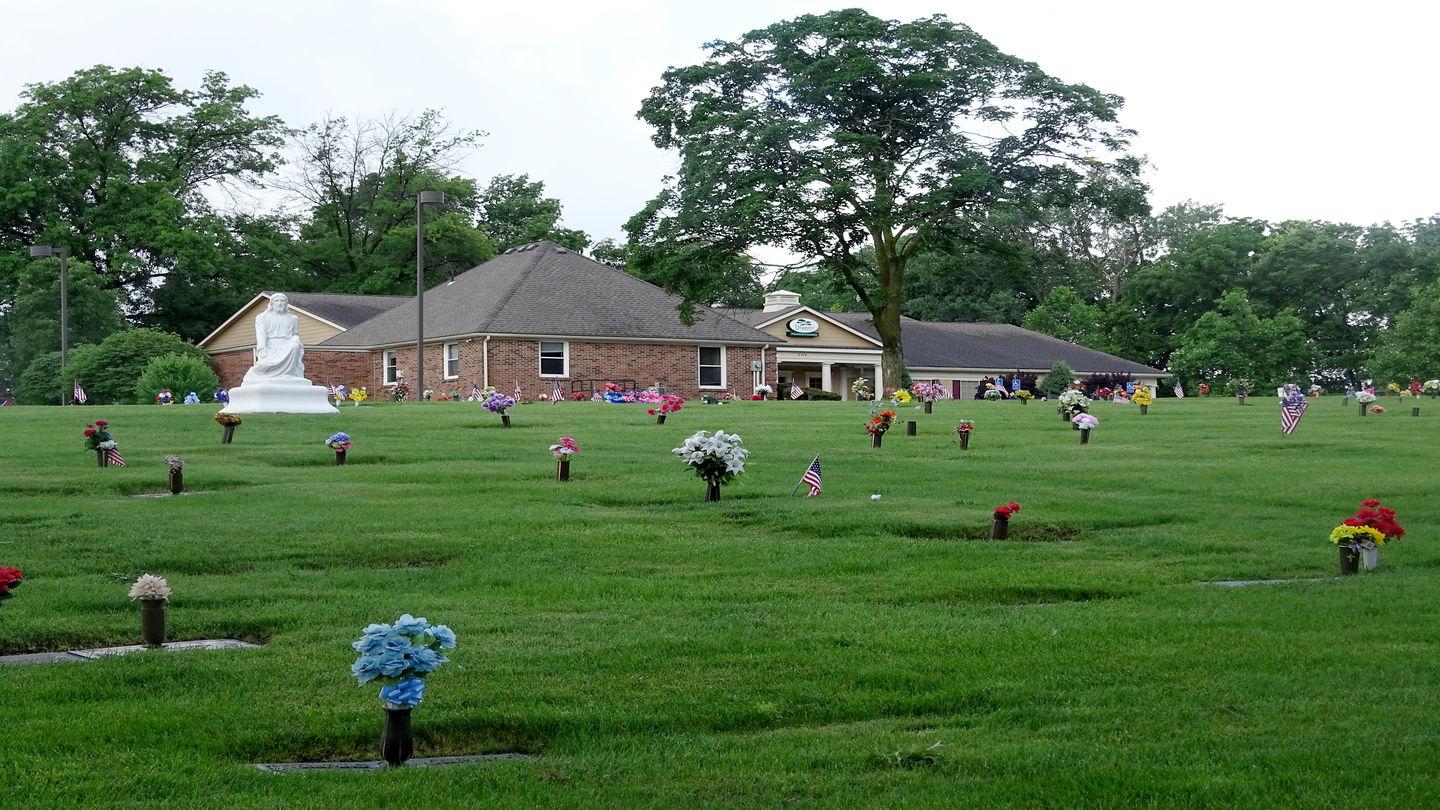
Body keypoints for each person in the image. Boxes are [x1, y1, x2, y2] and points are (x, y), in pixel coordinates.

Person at [243, 294, 306, 382]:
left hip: (287, 346)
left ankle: (289, 373)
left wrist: (295, 339)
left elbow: (295, 334)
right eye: (277, 301)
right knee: (263, 366)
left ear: (286, 303)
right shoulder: (262, 317)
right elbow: (261, 335)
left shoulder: (293, 319)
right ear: (272, 303)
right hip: (270, 346)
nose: (280, 303)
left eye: (282, 301)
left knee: (295, 344)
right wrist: (262, 349)